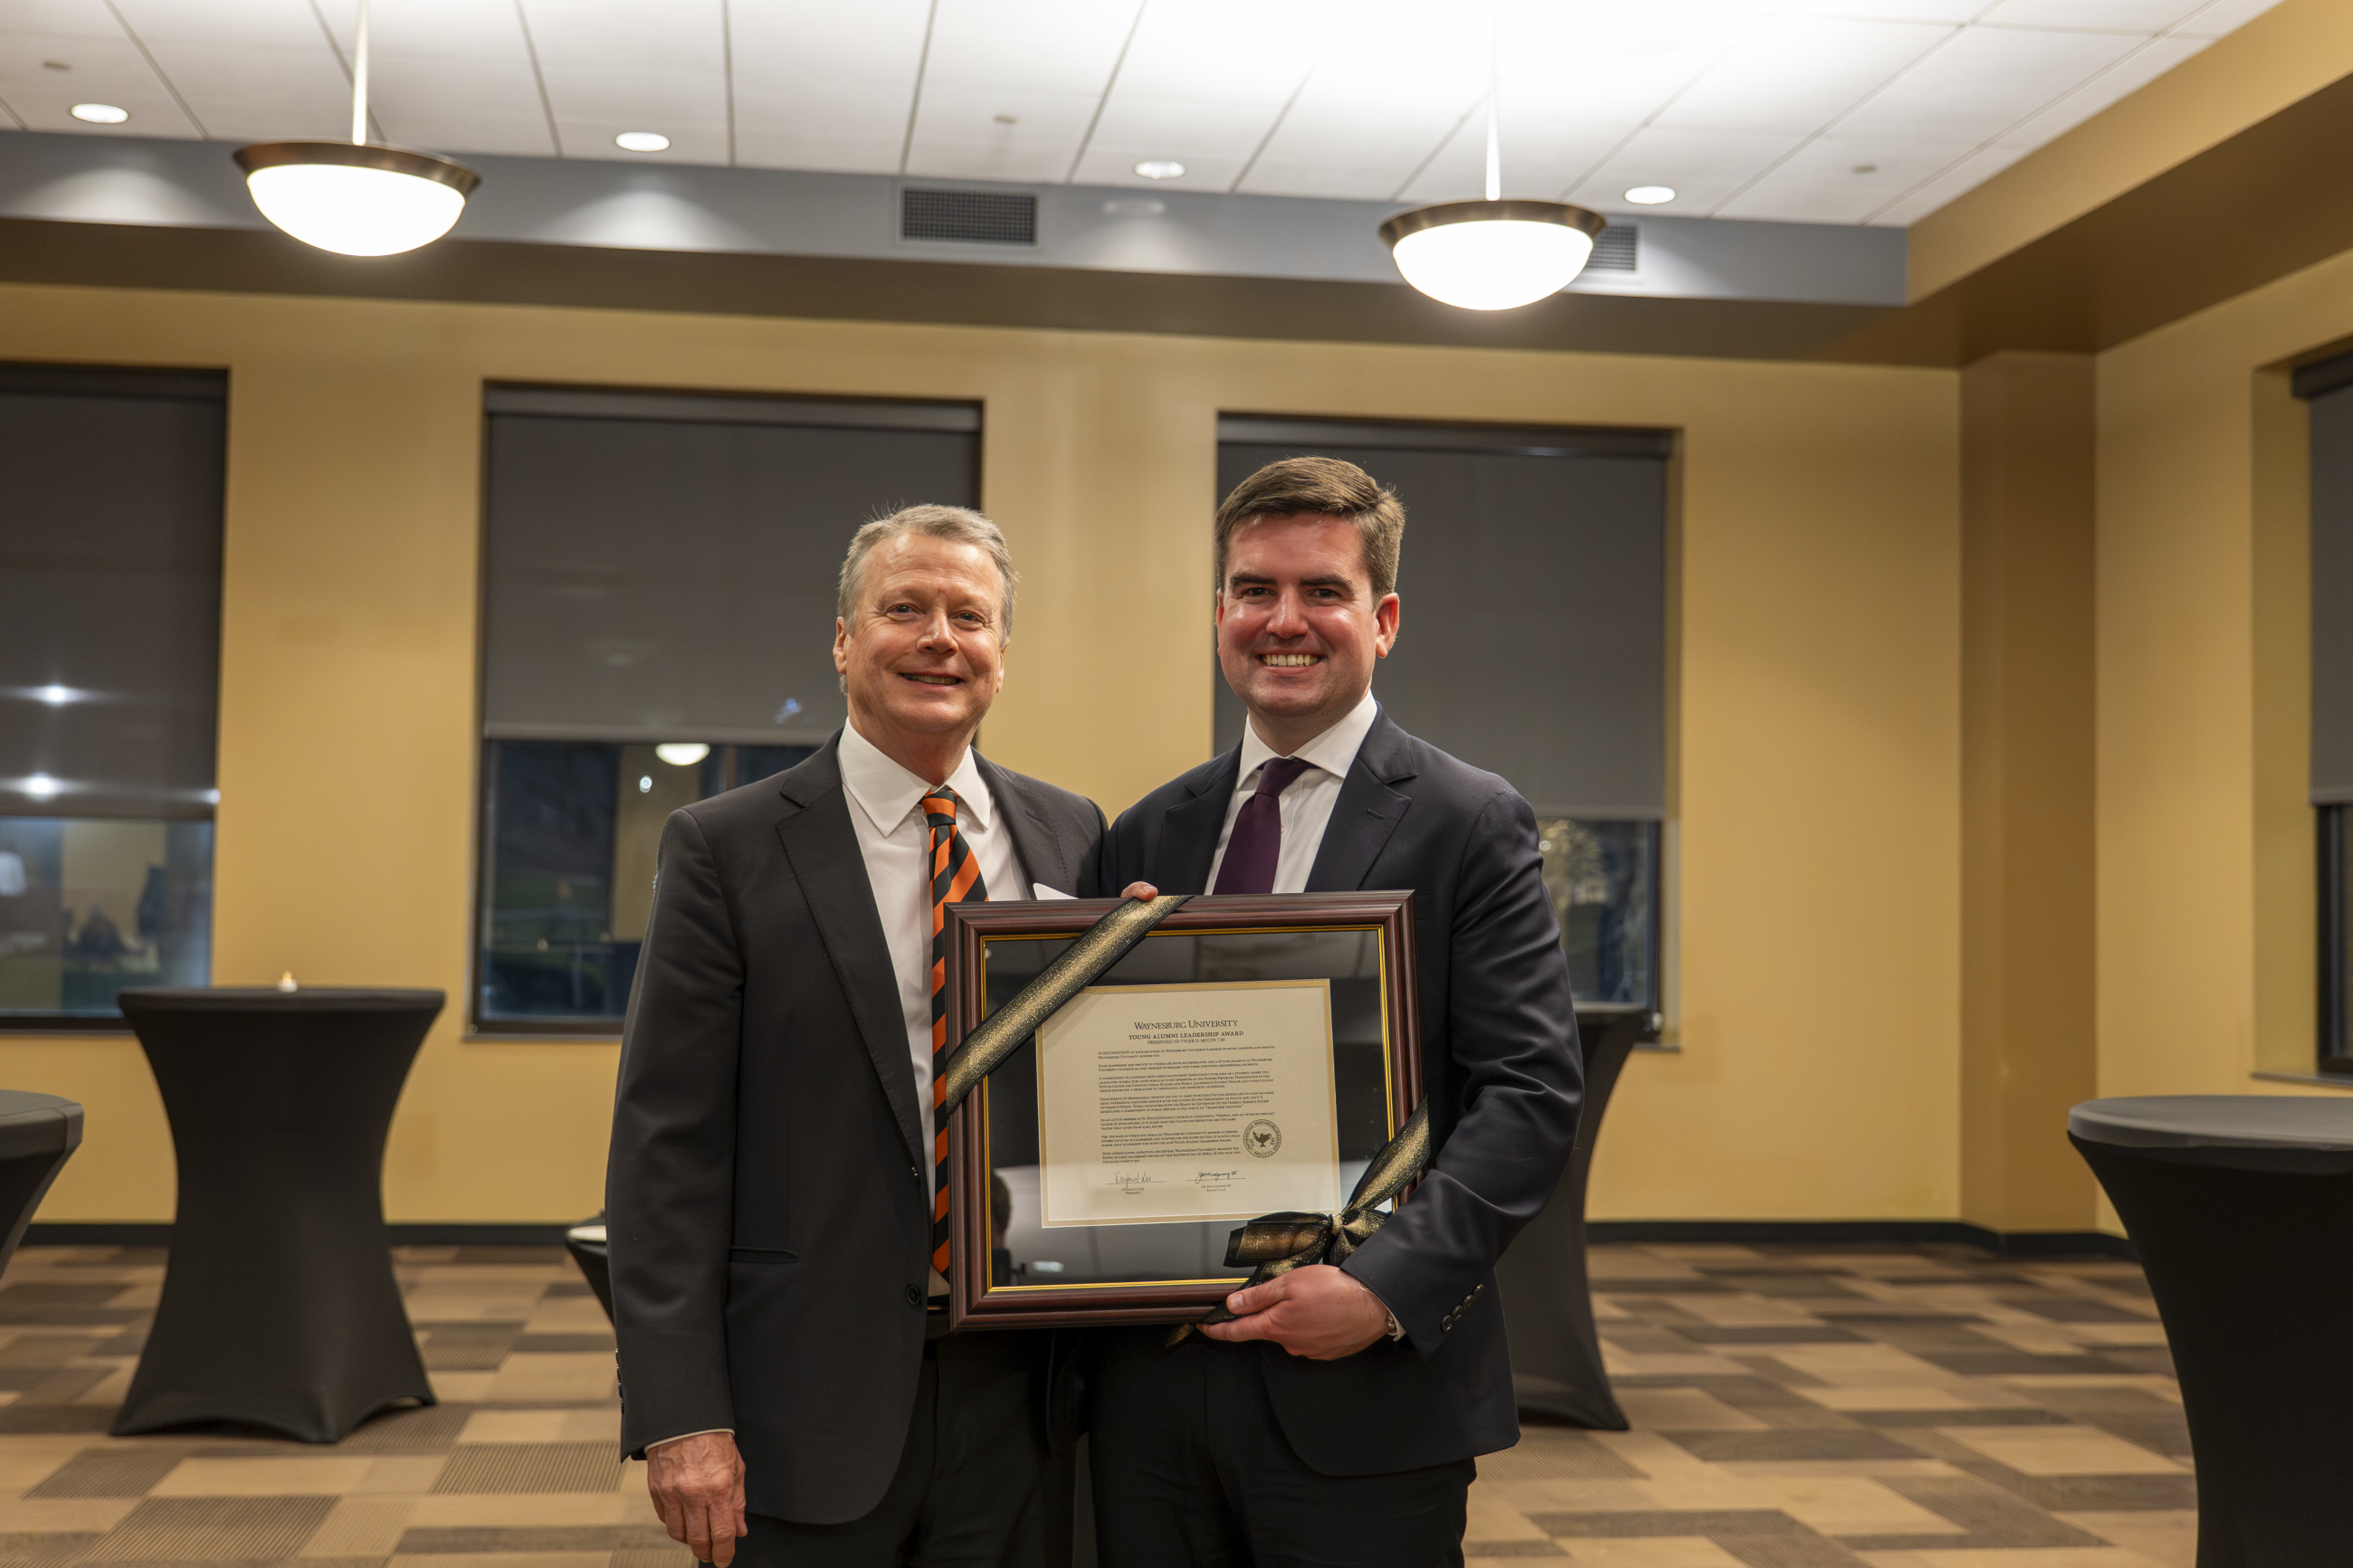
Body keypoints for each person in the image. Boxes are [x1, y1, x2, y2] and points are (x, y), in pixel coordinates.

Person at [1091, 456, 1584, 1567]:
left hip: (1363, 1386)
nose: (1283, 620)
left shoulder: (1467, 819)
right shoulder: (1143, 833)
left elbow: (1530, 1094)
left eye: (1322, 590)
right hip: (1152, 1383)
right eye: (1253, 589)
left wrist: (1381, 1286)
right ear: (1219, 611)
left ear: (1384, 617)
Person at [606, 505, 1105, 1568]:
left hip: (1026, 1398)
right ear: (842, 640)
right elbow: (667, 1153)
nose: (938, 637)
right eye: (903, 608)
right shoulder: (726, 848)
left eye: (968, 615)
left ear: (1001, 654)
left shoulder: (1073, 832)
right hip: (804, 1400)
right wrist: (679, 1412)